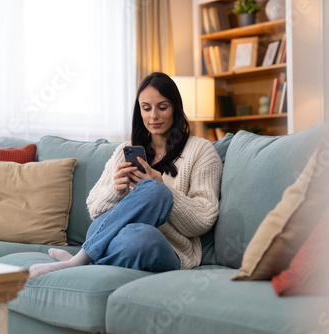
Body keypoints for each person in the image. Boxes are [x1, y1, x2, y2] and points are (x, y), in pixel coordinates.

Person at [29, 72, 223, 279]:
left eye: (162, 107)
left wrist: (164, 189)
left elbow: (204, 219)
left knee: (149, 217)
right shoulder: (125, 151)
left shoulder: (201, 150)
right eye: (146, 108)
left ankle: (79, 259)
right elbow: (94, 209)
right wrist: (116, 191)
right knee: (127, 233)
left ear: (175, 108)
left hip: (165, 246)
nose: (153, 116)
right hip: (118, 235)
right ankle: (81, 261)